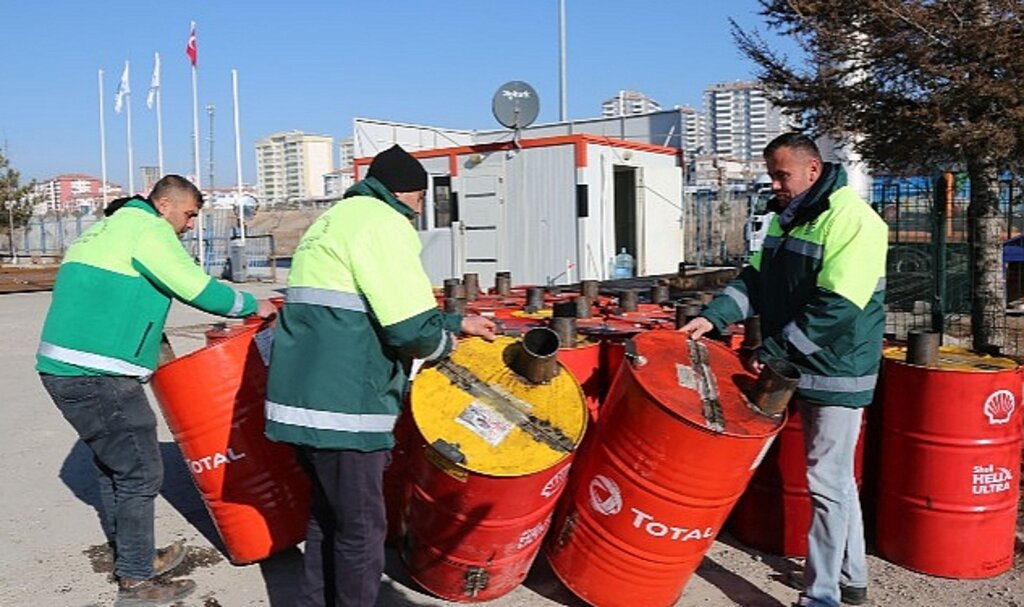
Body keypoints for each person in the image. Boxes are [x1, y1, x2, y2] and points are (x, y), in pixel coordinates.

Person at [264, 145, 497, 607]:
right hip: (345, 408)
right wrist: (446, 344)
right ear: (409, 195)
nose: (415, 214)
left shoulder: (335, 220)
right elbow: (410, 330)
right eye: (416, 203)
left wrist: (455, 321)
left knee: (327, 518)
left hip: (301, 401)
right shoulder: (384, 224)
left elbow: (362, 302)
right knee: (362, 529)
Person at [36, 175, 277, 606]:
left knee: (115, 469)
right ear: (165, 205)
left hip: (65, 367)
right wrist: (251, 305)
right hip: (97, 373)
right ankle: (135, 582)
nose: (189, 226)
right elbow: (196, 288)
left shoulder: (110, 229)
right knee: (141, 472)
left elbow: (117, 299)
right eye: (188, 215)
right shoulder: (148, 229)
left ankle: (134, 556)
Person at [683, 133, 886, 607]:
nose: (774, 184)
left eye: (782, 175)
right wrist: (712, 317)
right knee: (834, 479)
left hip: (838, 368)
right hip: (799, 361)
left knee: (826, 480)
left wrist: (777, 350)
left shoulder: (854, 221)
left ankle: (822, 596)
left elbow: (837, 308)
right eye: (770, 174)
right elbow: (754, 279)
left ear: (813, 171)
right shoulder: (788, 219)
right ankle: (851, 579)